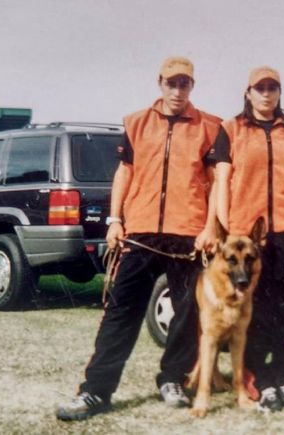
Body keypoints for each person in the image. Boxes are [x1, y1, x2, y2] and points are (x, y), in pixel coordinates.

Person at [57, 56, 222, 421]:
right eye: (171, 83)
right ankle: (95, 391)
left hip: (188, 235)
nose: (177, 90)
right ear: (160, 83)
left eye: (184, 83)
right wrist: (115, 220)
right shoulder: (136, 122)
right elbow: (125, 172)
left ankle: (173, 379)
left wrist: (210, 227)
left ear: (192, 86)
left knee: (188, 312)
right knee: (121, 311)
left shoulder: (210, 126)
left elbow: (215, 184)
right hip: (141, 232)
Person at [208, 66, 284, 412]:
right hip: (248, 238)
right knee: (256, 311)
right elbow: (222, 182)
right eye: (260, 88)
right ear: (248, 92)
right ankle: (258, 381)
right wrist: (225, 231)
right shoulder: (231, 129)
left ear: (279, 93)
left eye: (273, 88)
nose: (266, 94)